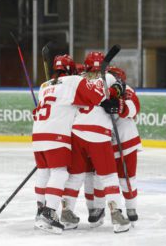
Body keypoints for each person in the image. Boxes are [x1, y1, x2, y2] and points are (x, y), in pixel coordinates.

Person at [32, 54, 110, 234]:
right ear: (72, 70)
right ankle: (49, 213)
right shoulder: (74, 81)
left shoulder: (44, 85)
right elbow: (96, 97)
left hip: (38, 133)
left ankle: (40, 211)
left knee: (44, 172)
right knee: (60, 173)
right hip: (57, 135)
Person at [62, 52, 131, 233]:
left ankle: (66, 213)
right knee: (108, 176)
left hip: (76, 132)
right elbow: (120, 88)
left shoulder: (77, 79)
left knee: (75, 175)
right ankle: (116, 214)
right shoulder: (108, 77)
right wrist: (115, 97)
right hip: (98, 133)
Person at [87, 66, 141, 226]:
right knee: (100, 177)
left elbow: (135, 108)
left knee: (127, 177)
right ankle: (99, 207)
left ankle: (131, 207)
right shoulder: (96, 90)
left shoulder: (127, 90)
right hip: (103, 141)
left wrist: (119, 105)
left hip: (125, 141)